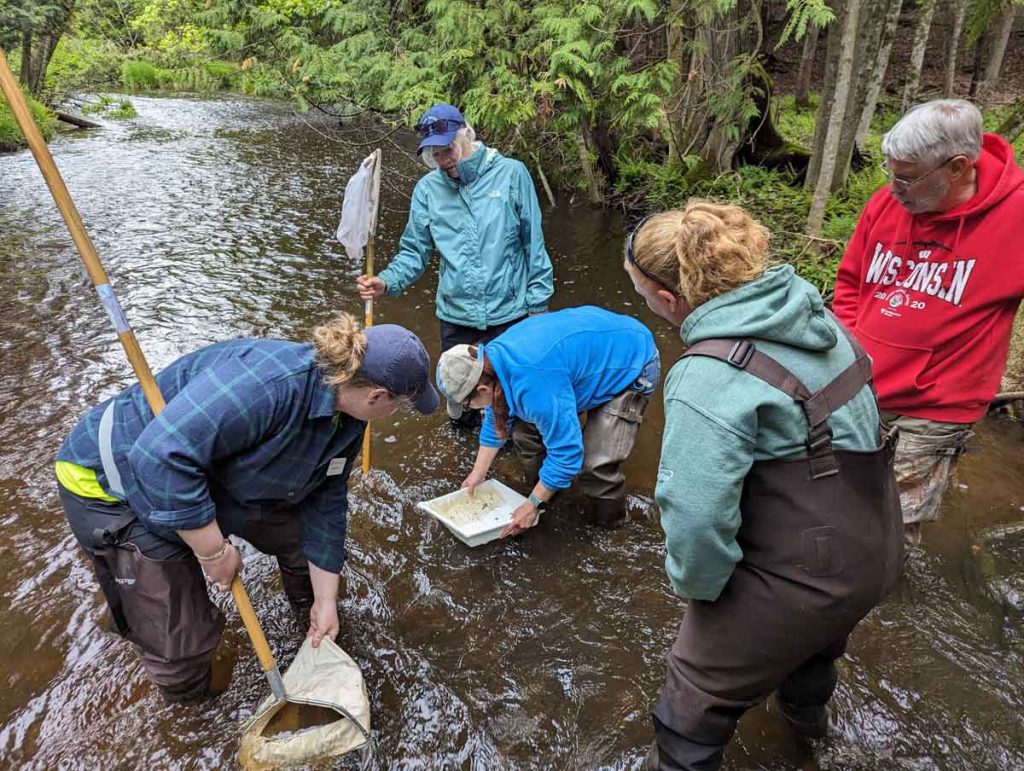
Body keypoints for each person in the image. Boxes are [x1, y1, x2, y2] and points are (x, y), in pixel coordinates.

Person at [623, 200, 902, 770]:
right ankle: (805, 735)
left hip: (803, 576)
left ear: (670, 300)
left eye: (642, 295)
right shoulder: (821, 322)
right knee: (815, 650)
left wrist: (700, 595)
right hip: (876, 550)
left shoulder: (707, 375)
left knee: (691, 701)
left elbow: (697, 517)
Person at [55, 314, 438, 703]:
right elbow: (159, 458)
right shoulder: (270, 387)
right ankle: (192, 706)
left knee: (301, 544)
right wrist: (213, 551)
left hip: (210, 471)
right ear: (376, 396)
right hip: (115, 481)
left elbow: (326, 501)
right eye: (400, 405)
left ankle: (313, 624)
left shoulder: (348, 414)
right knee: (181, 637)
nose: (395, 413)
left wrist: (326, 601)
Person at [833, 99, 1024, 546]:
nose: (893, 186)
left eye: (906, 175)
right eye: (890, 171)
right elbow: (850, 282)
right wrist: (847, 352)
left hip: (935, 404)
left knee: (890, 526)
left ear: (957, 167)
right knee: (838, 503)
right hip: (860, 387)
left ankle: (880, 611)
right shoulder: (886, 204)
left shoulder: (1016, 217)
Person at [356, 102, 554, 425]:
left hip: (510, 315)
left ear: (466, 134)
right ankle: (462, 466)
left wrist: (538, 311)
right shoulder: (427, 191)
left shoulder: (512, 174)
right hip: (456, 317)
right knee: (460, 406)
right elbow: (413, 251)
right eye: (434, 153)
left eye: (447, 149)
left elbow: (534, 247)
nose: (443, 160)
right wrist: (387, 281)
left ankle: (504, 465)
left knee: (510, 405)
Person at [435, 306, 660, 534]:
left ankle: (611, 527)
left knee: (594, 464)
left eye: (466, 404)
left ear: (482, 388)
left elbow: (568, 453)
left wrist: (532, 504)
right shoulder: (489, 364)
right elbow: (497, 421)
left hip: (633, 364)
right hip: (583, 359)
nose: (467, 409)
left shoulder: (534, 387)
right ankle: (548, 498)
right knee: (524, 434)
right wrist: (477, 475)